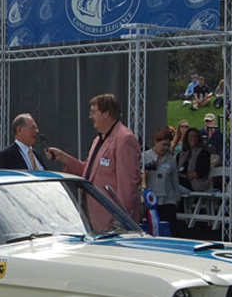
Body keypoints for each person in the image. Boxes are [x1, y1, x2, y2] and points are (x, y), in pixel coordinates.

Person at [47, 94, 142, 222]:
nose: (90, 116)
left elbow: (127, 187)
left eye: (93, 112)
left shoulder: (124, 139)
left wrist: (120, 220)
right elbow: (90, 173)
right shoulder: (99, 139)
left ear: (106, 114)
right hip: (96, 218)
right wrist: (64, 158)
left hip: (112, 222)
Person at [142, 127, 179, 234]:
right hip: (151, 201)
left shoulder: (171, 159)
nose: (165, 148)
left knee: (169, 229)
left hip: (167, 199)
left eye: (168, 145)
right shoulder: (145, 156)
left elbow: (174, 180)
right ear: (156, 142)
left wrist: (177, 198)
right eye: (163, 145)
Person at [177, 127, 211, 192]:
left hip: (195, 183)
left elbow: (200, 173)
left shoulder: (203, 153)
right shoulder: (181, 154)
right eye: (191, 136)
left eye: (195, 137)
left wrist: (183, 175)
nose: (193, 139)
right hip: (180, 181)